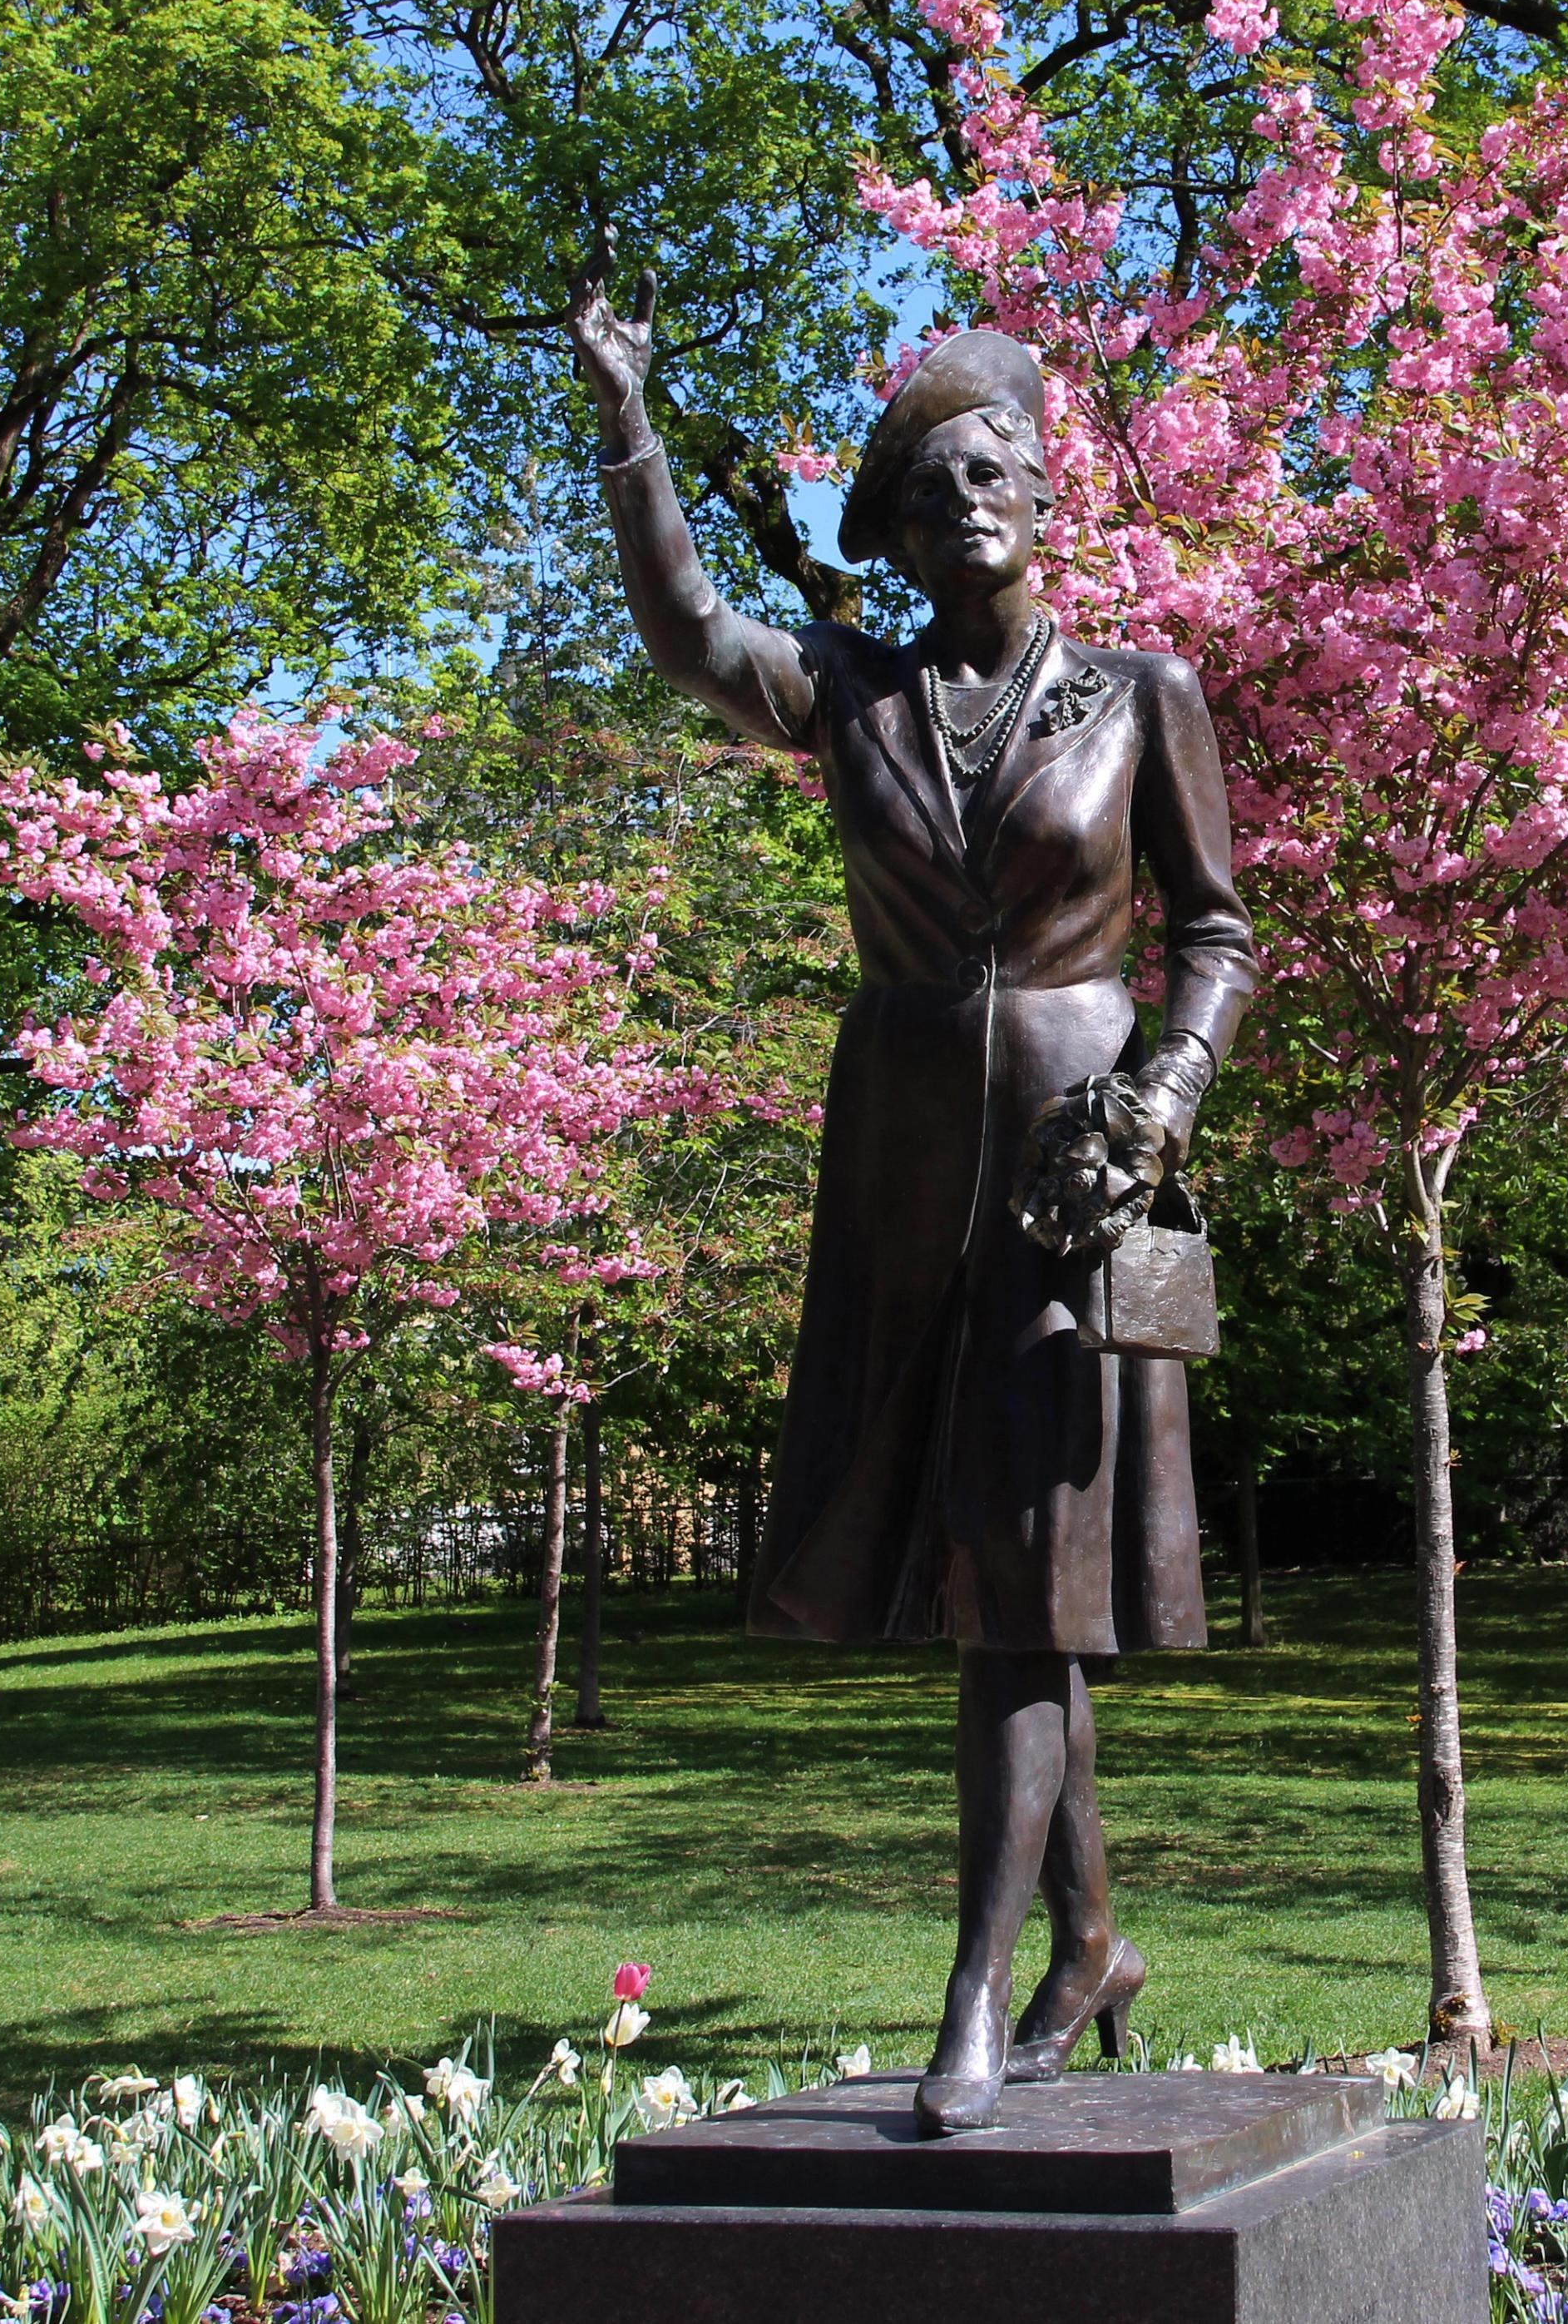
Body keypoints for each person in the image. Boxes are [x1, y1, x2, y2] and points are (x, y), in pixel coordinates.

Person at [566, 270, 1257, 2134]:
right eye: (938, 476)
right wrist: (632, 418)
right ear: (900, 515)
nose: (974, 495)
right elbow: (693, 636)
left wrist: (1160, 1097)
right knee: (993, 1576)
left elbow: (1218, 932)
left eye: (1003, 464)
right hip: (893, 1171)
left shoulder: (1143, 695)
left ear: (1051, 493)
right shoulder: (856, 691)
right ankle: (1092, 1935)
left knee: (1020, 1586)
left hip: (1071, 1168)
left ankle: (972, 1991)